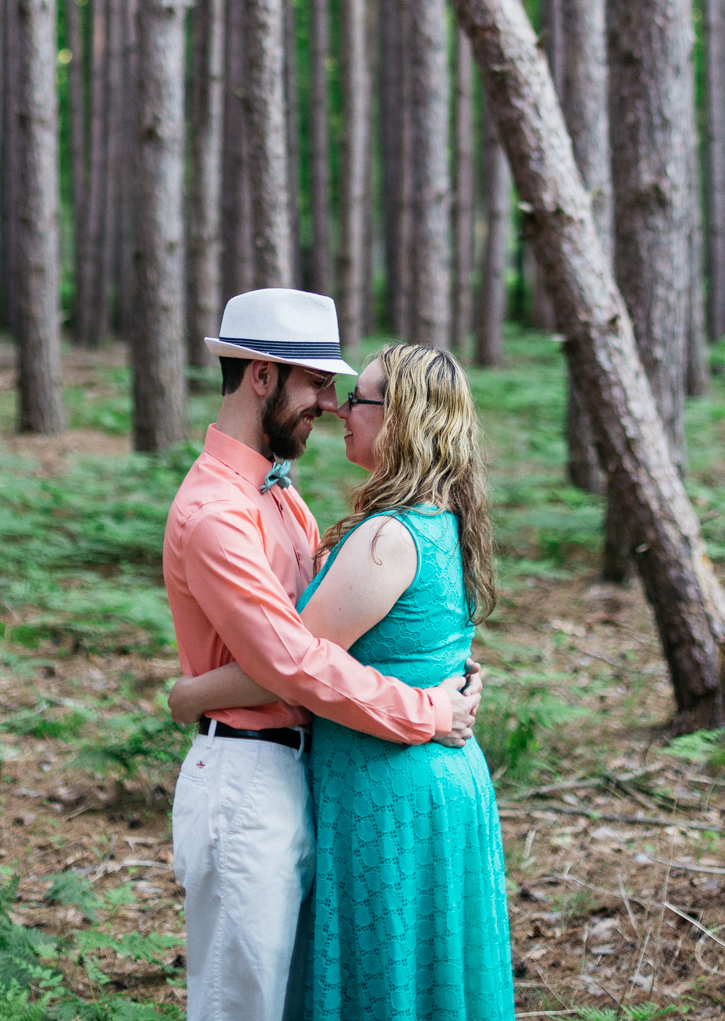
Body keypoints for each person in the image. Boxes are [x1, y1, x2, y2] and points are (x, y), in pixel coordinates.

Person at [162, 290, 482, 1021]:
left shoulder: (279, 495)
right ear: (263, 378)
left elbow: (342, 631)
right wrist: (427, 710)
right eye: (315, 383)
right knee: (240, 1005)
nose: (329, 404)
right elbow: (293, 662)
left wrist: (193, 690)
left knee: (296, 996)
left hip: (300, 771)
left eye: (339, 389)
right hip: (246, 776)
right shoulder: (218, 513)